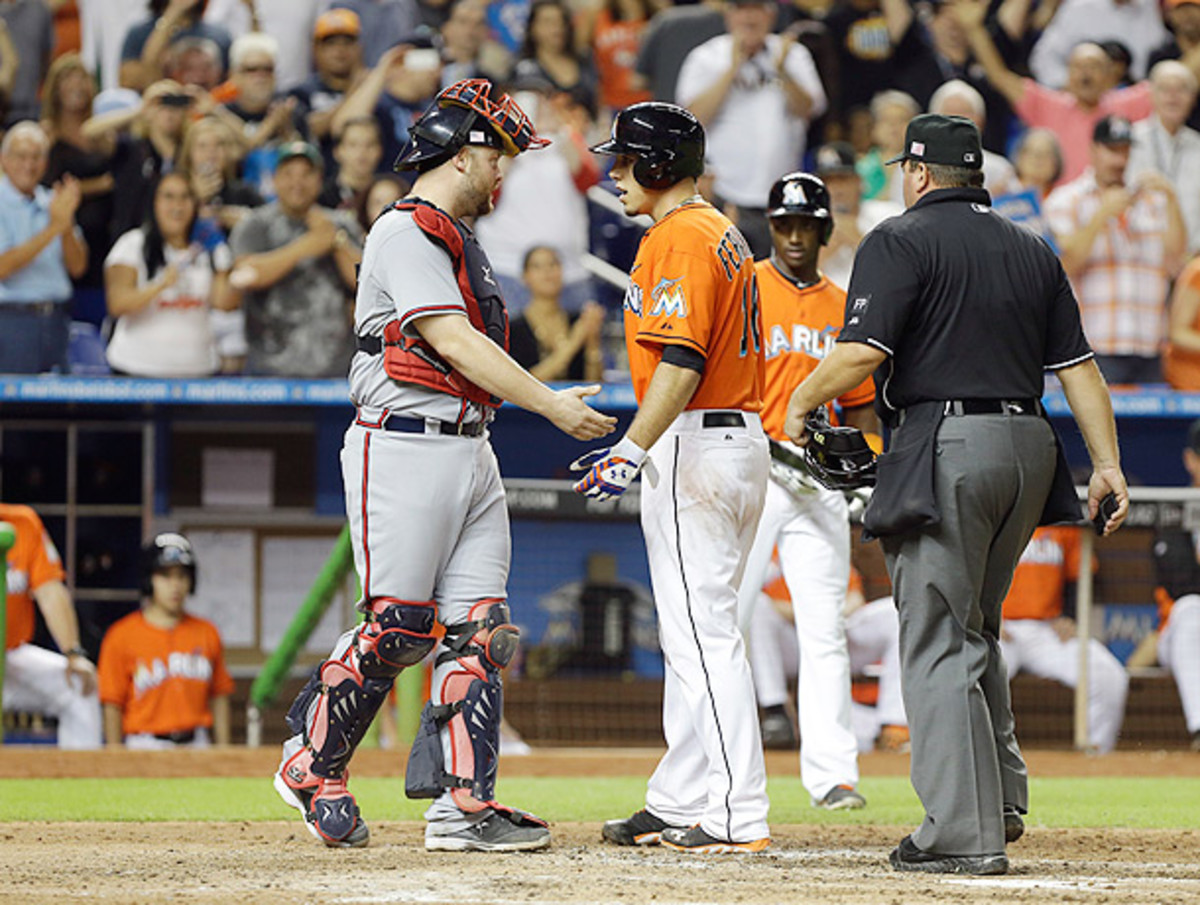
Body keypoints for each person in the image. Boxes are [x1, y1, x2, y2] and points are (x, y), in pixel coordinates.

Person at [272, 78, 615, 852]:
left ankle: (464, 806)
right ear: (466, 154)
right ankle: (311, 763)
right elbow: (453, 341)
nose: (505, 174)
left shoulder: (460, 237)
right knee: (398, 627)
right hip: (400, 443)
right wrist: (552, 405)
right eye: (499, 158)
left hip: (470, 447)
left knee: (482, 631)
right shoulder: (404, 231)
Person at [783, 113, 1129, 875]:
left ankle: (959, 832)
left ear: (916, 172)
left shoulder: (898, 239)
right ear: (976, 176)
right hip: (1030, 448)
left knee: (937, 635)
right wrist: (1106, 463)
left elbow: (863, 352)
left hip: (948, 442)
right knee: (974, 626)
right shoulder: (1031, 248)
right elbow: (1078, 367)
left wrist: (801, 402)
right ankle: (998, 801)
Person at [582, 101, 771, 854]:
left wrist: (632, 445)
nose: (615, 172)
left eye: (626, 160)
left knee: (704, 634)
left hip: (699, 441)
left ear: (659, 167)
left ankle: (735, 810)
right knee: (690, 630)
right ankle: (681, 794)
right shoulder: (717, 229)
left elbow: (682, 361)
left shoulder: (683, 235)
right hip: (727, 441)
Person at [735, 171, 876, 812]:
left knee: (826, 630)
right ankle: (721, 764)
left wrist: (867, 469)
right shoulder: (745, 291)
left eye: (805, 225)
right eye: (784, 224)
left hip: (816, 477)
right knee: (726, 619)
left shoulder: (844, 304)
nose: (794, 236)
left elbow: (864, 407)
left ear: (824, 230)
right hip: (752, 466)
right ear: (772, 227)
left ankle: (833, 775)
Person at [675, 0, 827, 259]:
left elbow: (810, 109)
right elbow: (692, 118)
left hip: (781, 197)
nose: (749, 17)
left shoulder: (792, 54)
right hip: (723, 196)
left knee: (778, 287)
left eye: (757, 9)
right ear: (729, 15)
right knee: (728, 284)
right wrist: (731, 69)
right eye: (742, 9)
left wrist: (782, 71)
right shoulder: (707, 56)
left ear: (771, 15)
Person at [1043, 115, 1186, 385]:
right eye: (1112, 150)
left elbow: (1175, 261)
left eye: (1125, 150)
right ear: (1093, 149)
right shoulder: (1066, 200)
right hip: (1093, 347)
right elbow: (1066, 264)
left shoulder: (1151, 200)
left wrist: (1173, 200)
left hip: (1149, 345)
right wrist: (1101, 215)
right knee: (1097, 428)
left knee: (1155, 429)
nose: (1119, 160)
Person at [228, 140, 362, 378]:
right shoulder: (254, 224)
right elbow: (246, 275)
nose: (297, 183)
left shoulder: (341, 224)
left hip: (337, 368)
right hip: (269, 367)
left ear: (319, 179)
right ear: (275, 179)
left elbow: (366, 283)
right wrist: (308, 245)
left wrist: (337, 242)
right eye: (288, 173)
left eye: (306, 174)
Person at [97, 533, 234, 749]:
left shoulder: (207, 632)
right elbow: (112, 703)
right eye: (165, 576)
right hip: (144, 744)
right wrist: (115, 754)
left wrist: (224, 748)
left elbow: (219, 695)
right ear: (149, 580)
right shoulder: (121, 635)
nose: (175, 585)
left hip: (196, 743)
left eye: (181, 576)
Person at [999, 526, 1128, 754]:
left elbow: (1080, 576)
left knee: (1108, 675)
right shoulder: (990, 506)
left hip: (1047, 629)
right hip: (996, 628)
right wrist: (980, 615)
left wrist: (1070, 616)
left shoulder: (1061, 514)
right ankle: (951, 753)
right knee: (967, 674)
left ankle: (1095, 756)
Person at [103, 172, 236, 377]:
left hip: (199, 371)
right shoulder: (132, 244)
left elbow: (223, 304)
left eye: (185, 197)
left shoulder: (209, 249)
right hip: (137, 371)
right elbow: (118, 304)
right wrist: (160, 285)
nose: (178, 206)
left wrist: (225, 267)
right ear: (153, 202)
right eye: (169, 197)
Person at [1, 502, 101, 749]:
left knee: (79, 686)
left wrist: (73, 652)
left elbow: (49, 590)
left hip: (11, 656)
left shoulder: (22, 522)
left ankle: (82, 781)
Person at [0, 121, 87, 374]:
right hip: (11, 320)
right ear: (4, 160)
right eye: (21, 156)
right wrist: (53, 228)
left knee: (58, 410)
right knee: (14, 410)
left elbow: (78, 267)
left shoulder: (55, 202)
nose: (29, 165)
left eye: (36, 157)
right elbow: (3, 266)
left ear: (46, 163)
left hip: (56, 319)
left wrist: (66, 226)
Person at [1147, 418, 1200, 750]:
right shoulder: (1173, 510)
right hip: (1180, 634)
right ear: (1190, 459)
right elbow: (1181, 585)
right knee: (1191, 610)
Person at [1126, 60, 1200, 254]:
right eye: (1165, 89)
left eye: (1181, 90)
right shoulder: (1129, 141)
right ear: (1151, 95)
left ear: (1193, 97)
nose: (1172, 97)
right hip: (1140, 256)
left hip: (1192, 260)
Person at [508, 245, 606, 382]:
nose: (547, 271)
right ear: (525, 277)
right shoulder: (513, 330)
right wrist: (574, 341)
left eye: (553, 264)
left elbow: (595, 384)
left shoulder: (578, 321)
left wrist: (592, 343)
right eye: (537, 266)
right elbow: (521, 384)